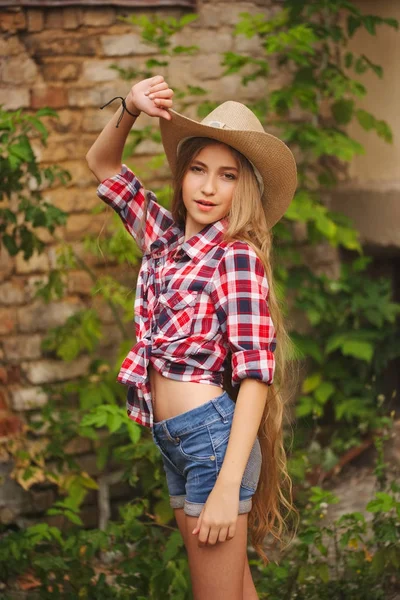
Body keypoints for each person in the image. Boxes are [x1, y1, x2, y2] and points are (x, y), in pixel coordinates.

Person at [86, 75, 297, 600]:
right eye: (198, 170)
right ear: (182, 175)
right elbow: (104, 166)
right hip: (177, 443)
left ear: (245, 186)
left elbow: (256, 375)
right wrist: (130, 109)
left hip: (211, 446)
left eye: (226, 176)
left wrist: (227, 485)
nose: (207, 187)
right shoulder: (163, 240)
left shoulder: (237, 256)